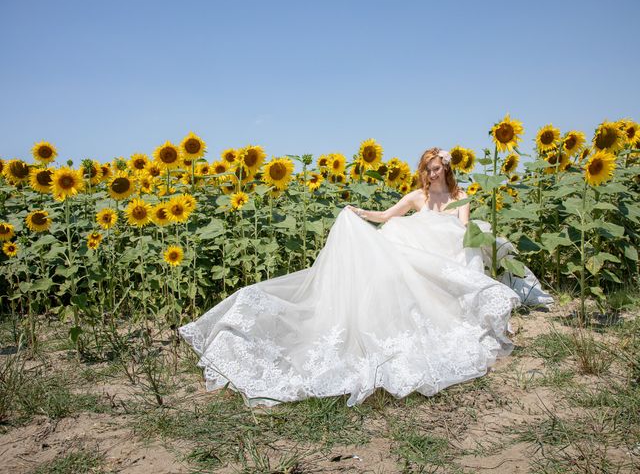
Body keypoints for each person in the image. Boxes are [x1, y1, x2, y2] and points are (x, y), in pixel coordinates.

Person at [179, 147, 541, 407]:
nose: (435, 173)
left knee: (464, 254)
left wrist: (472, 252)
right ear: (424, 171)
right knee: (392, 259)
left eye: (439, 168)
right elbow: (385, 217)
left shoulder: (460, 196)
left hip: (446, 252)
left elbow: (462, 230)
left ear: (447, 169)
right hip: (415, 251)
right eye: (430, 168)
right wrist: (356, 211)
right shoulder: (417, 196)